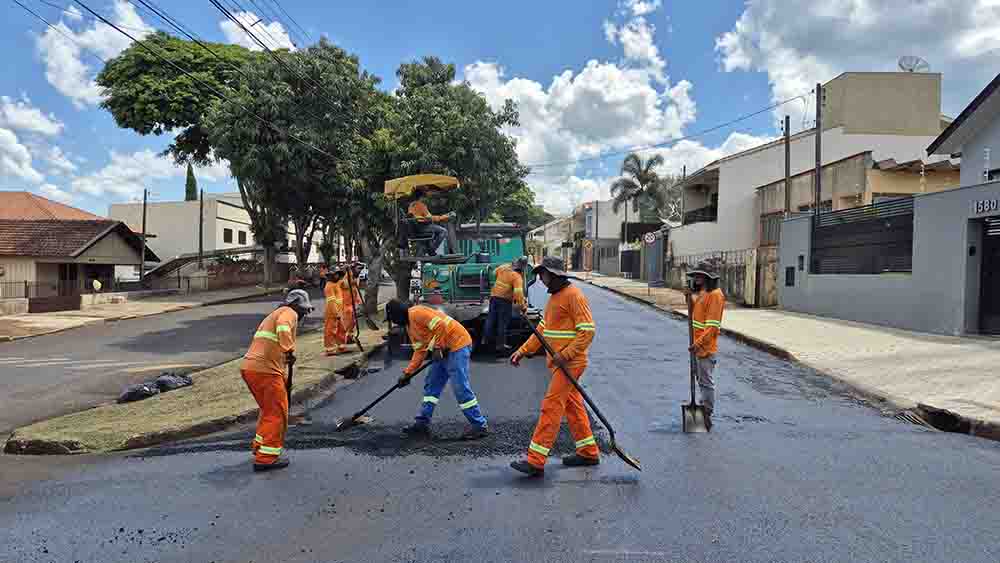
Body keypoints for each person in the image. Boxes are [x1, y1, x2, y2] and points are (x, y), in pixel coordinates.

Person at [509, 257, 598, 477]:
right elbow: (543, 331)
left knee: (551, 406)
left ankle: (535, 460)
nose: (540, 278)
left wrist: (565, 354)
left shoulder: (574, 296)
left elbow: (587, 331)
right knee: (573, 406)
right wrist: (523, 351)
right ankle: (588, 451)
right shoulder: (556, 298)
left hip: (571, 362)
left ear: (555, 274)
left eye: (543, 274)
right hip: (559, 362)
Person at [386, 299, 489, 440]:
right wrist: (407, 373)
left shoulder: (416, 313)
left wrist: (437, 347)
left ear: (397, 314)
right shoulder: (410, 328)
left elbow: (441, 325)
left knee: (460, 387)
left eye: (393, 319)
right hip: (442, 351)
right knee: (431, 385)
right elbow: (420, 352)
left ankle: (479, 425)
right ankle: (422, 423)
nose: (394, 323)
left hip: (457, 345)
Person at [240, 289, 314, 472]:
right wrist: (289, 350)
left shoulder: (275, 314)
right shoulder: (288, 313)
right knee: (277, 414)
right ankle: (266, 458)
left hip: (253, 368)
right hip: (265, 371)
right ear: (296, 304)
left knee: (268, 411)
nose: (304, 314)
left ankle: (260, 447)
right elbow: (283, 327)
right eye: (304, 310)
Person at [686, 260, 726, 429]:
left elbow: (711, 327)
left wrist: (698, 344)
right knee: (700, 379)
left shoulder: (716, 295)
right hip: (697, 346)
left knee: (706, 382)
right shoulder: (703, 293)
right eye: (695, 275)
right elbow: (697, 311)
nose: (695, 278)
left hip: (705, 348)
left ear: (707, 277)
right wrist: (690, 298)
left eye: (699, 275)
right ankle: (701, 409)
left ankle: (706, 413)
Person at [482, 256, 529, 355]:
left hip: (494, 296)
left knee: (491, 319)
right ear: (522, 268)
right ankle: (500, 344)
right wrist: (523, 307)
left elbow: (494, 272)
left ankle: (485, 340)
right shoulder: (517, 277)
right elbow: (518, 295)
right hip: (504, 300)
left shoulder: (504, 267)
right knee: (502, 323)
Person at [407, 188, 452, 256]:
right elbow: (430, 218)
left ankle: (428, 247)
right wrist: (444, 217)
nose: (426, 199)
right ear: (421, 197)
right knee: (444, 231)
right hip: (423, 227)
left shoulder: (411, 206)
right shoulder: (421, 205)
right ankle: (431, 250)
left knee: (435, 230)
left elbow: (420, 218)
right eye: (424, 197)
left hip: (415, 228)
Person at [323, 268, 346, 356]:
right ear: (331, 275)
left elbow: (345, 282)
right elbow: (331, 303)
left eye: (338, 274)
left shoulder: (337, 283)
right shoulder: (329, 286)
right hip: (332, 312)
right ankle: (330, 349)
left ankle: (341, 346)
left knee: (341, 329)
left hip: (339, 311)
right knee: (331, 330)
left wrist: (348, 271)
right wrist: (336, 313)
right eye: (335, 274)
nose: (337, 276)